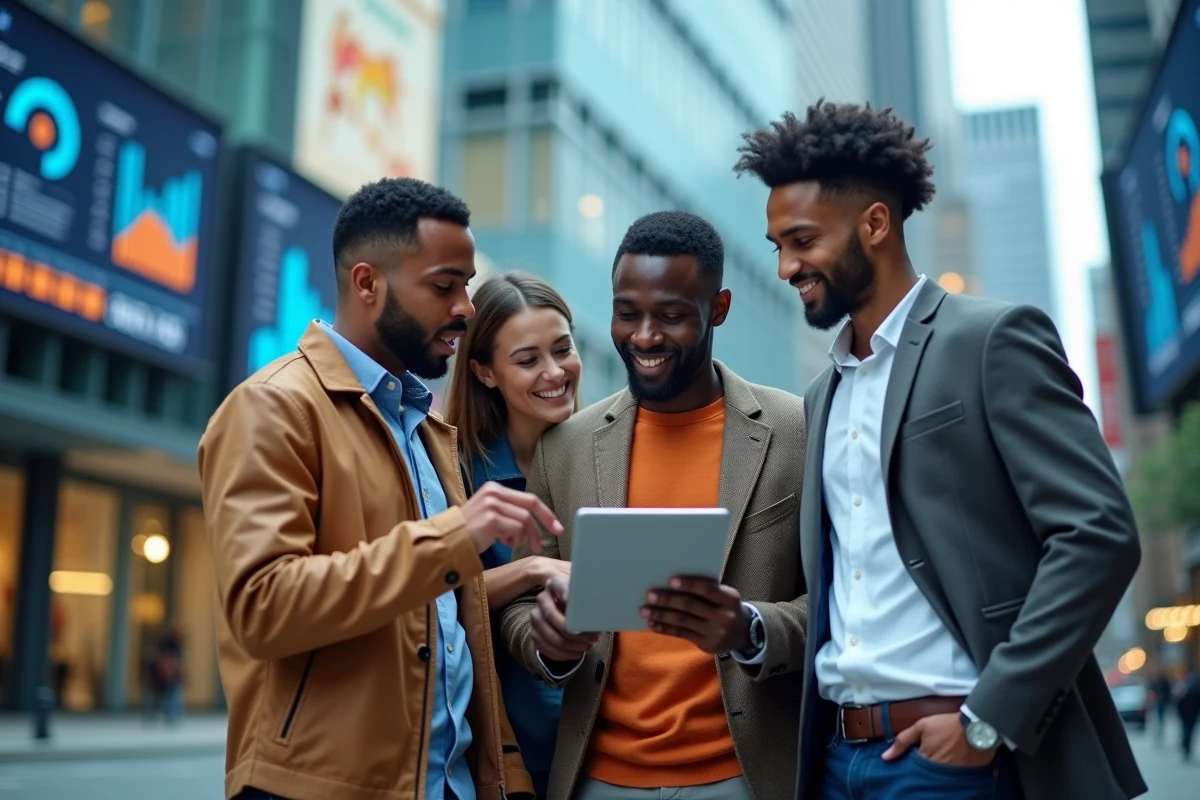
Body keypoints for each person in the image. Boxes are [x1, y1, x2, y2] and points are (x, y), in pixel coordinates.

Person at [733, 100, 1146, 800]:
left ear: (874, 223)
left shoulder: (991, 341)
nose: (784, 267)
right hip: (834, 761)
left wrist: (987, 722)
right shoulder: (820, 395)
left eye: (801, 241)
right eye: (776, 246)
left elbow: (1098, 534)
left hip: (951, 761)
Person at [199, 177, 562, 800]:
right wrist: (457, 537)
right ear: (367, 283)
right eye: (444, 286)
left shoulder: (425, 429)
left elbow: (447, 621)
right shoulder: (272, 408)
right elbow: (262, 607)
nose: (466, 310)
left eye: (467, 287)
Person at [499, 211, 809, 800]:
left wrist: (748, 626)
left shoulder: (795, 429)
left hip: (747, 776)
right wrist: (547, 642)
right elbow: (519, 607)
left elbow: (837, 605)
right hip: (598, 777)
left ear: (717, 309)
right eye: (626, 313)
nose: (643, 336)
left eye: (670, 316)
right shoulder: (564, 447)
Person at [445, 271, 583, 799]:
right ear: (483, 372)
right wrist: (530, 569)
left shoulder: (604, 457)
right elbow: (433, 597)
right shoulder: (453, 473)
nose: (554, 372)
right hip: (502, 756)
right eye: (527, 360)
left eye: (563, 349)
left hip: (601, 745)